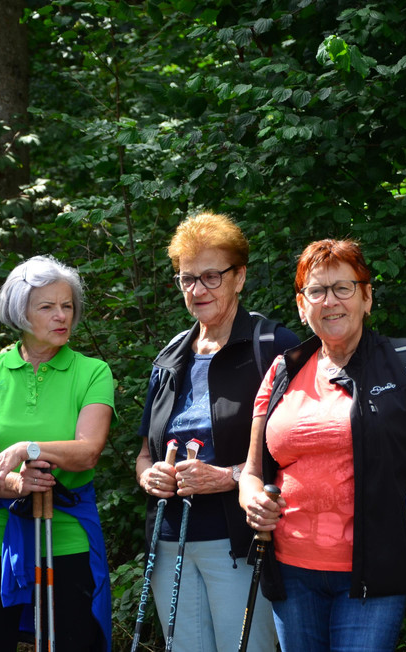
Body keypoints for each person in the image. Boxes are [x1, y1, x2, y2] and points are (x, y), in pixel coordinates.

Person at [239, 238, 406, 652]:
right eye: (317, 290)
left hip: (378, 564)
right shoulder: (282, 371)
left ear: (367, 297)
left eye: (343, 288)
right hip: (291, 570)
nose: (331, 301)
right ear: (302, 305)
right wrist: (252, 499)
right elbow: (253, 471)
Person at [136, 212, 299, 652]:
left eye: (211, 276)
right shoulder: (170, 356)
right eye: (187, 279)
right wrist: (148, 475)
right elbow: (145, 452)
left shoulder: (274, 347)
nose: (198, 290)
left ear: (239, 276)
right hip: (169, 542)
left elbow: (300, 452)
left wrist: (228, 476)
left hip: (241, 540)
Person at [0, 254, 115, 651]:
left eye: (67, 306)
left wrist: (26, 449)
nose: (61, 316)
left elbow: (87, 452)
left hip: (67, 537)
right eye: (47, 307)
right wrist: (14, 483)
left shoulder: (92, 372)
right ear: (20, 312)